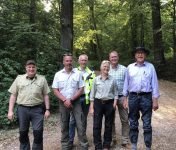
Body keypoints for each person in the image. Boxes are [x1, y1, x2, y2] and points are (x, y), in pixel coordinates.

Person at [7, 60, 50, 150]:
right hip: (23, 109)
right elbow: (13, 95)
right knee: (23, 133)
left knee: (38, 133)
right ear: (26, 68)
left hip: (38, 109)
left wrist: (47, 109)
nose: (31, 69)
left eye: (33, 67)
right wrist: (10, 111)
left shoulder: (42, 79)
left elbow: (46, 95)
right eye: (29, 67)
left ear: (36, 68)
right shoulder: (19, 79)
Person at [123, 47, 160, 150]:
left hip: (146, 98)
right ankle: (134, 145)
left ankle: (148, 147)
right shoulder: (129, 67)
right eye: (138, 53)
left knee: (147, 124)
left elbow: (155, 84)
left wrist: (155, 100)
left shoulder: (150, 67)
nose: (140, 55)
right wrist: (125, 99)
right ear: (135, 55)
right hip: (133, 97)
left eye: (142, 53)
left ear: (145, 55)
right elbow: (126, 83)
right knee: (133, 123)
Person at [52, 53, 88, 150]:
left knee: (80, 124)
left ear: (73, 61)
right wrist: (64, 100)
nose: (69, 62)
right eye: (67, 61)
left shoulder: (78, 74)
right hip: (63, 103)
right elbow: (55, 89)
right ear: (63, 62)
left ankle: (84, 146)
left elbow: (81, 89)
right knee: (64, 125)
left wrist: (71, 99)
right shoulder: (58, 74)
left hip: (75, 102)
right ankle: (65, 146)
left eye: (70, 60)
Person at [89, 60, 118, 150]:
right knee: (97, 125)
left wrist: (114, 104)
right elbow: (92, 94)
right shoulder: (96, 79)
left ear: (109, 69)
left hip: (109, 104)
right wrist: (91, 107)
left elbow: (116, 93)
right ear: (101, 68)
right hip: (98, 103)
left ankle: (106, 145)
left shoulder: (113, 79)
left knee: (109, 125)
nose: (106, 68)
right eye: (104, 66)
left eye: (107, 67)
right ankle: (98, 146)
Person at [69, 54, 96, 144]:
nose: (83, 62)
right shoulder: (74, 71)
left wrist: (93, 101)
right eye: (82, 60)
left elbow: (93, 87)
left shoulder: (91, 72)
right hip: (75, 98)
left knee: (83, 120)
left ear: (87, 61)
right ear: (78, 61)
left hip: (86, 98)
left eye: (85, 60)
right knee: (73, 120)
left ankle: (82, 139)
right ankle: (70, 140)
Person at [109, 51, 130, 148]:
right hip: (110, 98)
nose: (114, 58)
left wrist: (126, 98)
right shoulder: (106, 68)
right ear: (109, 58)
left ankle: (125, 139)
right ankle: (112, 138)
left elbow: (128, 84)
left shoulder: (124, 69)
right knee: (110, 119)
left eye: (115, 57)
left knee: (125, 119)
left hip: (122, 97)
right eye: (112, 57)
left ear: (118, 57)